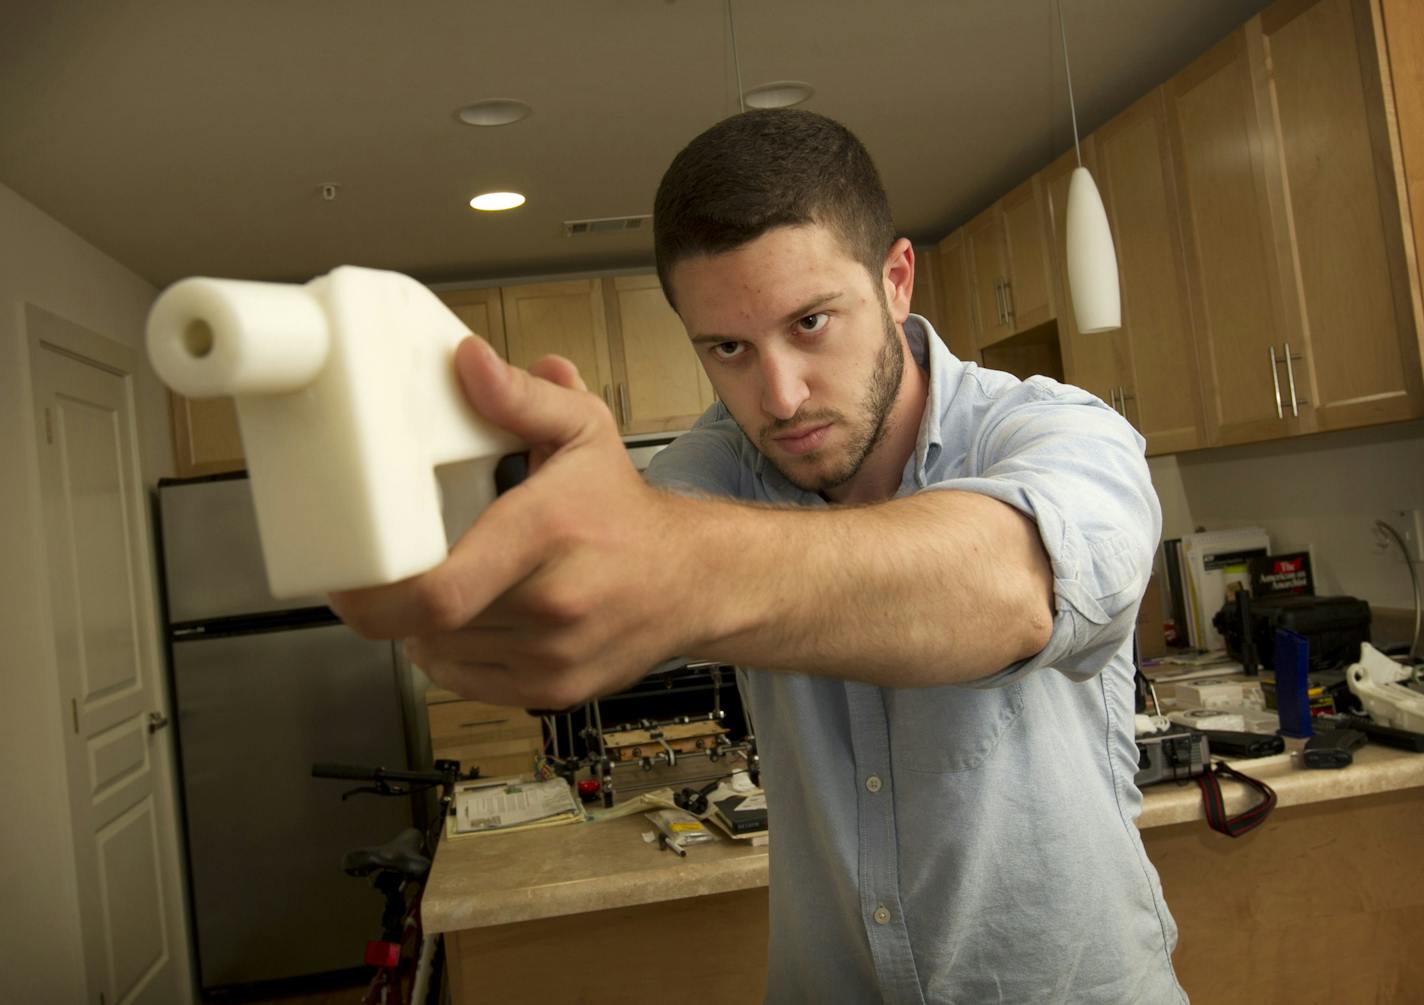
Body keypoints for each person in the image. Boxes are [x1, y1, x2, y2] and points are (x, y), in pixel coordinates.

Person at [330, 109, 1185, 1003]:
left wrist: (682, 566)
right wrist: (500, 564)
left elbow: (1014, 586)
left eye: (811, 321)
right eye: (728, 348)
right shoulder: (716, 466)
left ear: (896, 280)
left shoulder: (1057, 429)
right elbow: (619, 558)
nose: (779, 395)